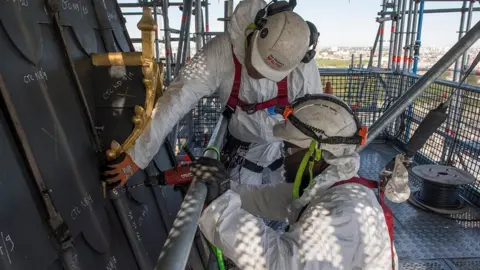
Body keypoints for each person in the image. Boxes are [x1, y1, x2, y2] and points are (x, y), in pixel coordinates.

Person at [103, 0, 322, 188]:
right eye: (256, 63)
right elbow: (177, 99)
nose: (257, 74)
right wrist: (137, 156)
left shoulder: (299, 61)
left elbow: (315, 123)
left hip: (283, 155)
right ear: (256, 33)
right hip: (242, 157)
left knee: (284, 212)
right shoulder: (220, 53)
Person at [194, 94, 399, 270]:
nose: (284, 157)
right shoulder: (327, 187)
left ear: (317, 155)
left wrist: (220, 208)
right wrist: (221, 187)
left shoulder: (341, 213)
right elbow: (263, 199)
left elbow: (282, 263)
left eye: (289, 149)